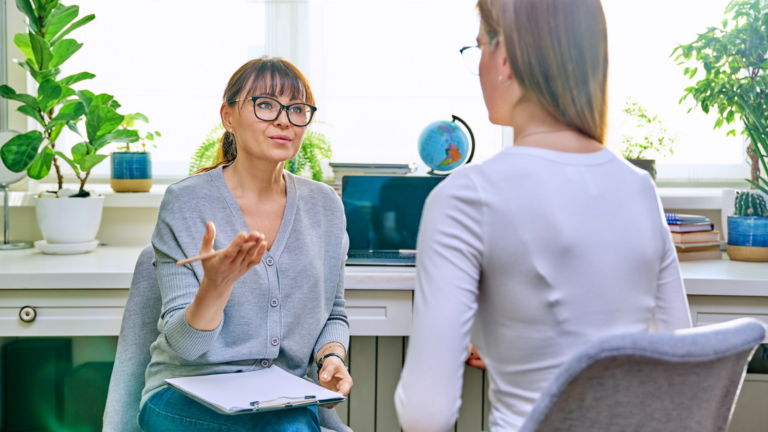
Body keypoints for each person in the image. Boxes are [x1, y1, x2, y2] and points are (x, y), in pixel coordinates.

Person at [394, 0, 692, 431]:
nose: (477, 66)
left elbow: (426, 415)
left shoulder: (465, 194)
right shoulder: (639, 188)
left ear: (507, 59)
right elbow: (679, 368)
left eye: (477, 48)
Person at [138, 57, 352, 432]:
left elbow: (333, 313)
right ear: (228, 116)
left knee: (291, 423)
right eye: (266, 104)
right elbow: (186, 349)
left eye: (297, 109)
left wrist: (330, 355)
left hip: (282, 398)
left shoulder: (326, 206)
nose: (284, 120)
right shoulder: (187, 203)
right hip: (184, 395)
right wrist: (215, 287)